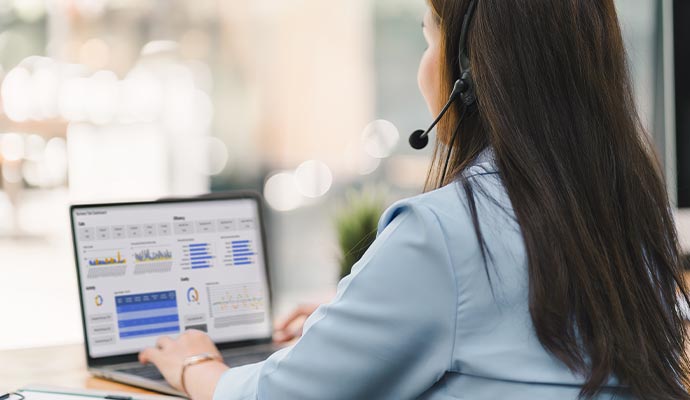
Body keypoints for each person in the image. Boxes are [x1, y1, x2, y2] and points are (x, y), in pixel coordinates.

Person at [138, 0, 690, 399]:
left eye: (430, 37)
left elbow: (283, 396)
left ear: (472, 72)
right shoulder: (629, 213)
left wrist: (197, 367)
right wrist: (353, 324)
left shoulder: (445, 231)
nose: (423, 64)